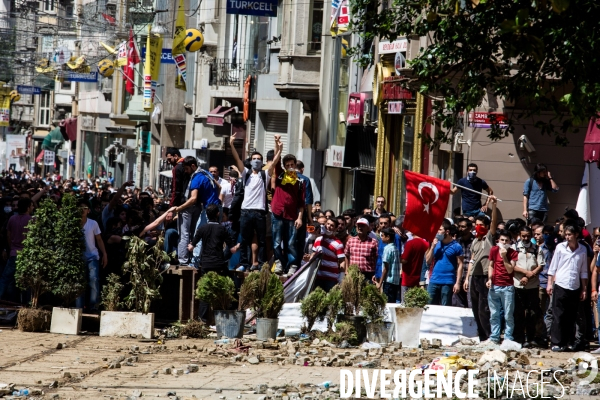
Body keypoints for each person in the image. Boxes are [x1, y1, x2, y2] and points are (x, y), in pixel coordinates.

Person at [230, 132, 277, 272]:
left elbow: (274, 161)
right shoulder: (246, 173)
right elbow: (237, 159)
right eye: (254, 158)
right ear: (250, 161)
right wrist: (231, 144)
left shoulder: (265, 174)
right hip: (246, 211)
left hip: (260, 212)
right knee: (244, 239)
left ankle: (261, 264)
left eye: (259, 159)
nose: (256, 160)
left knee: (262, 240)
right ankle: (244, 263)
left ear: (262, 162)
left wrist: (278, 146)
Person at [547, 223, 588, 352]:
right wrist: (549, 283)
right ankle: (556, 342)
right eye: (566, 234)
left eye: (570, 234)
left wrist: (584, 288)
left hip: (574, 285)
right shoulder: (560, 247)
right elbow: (553, 266)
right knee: (558, 314)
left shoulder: (582, 249)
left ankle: (568, 342)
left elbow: (583, 271)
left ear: (576, 235)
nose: (567, 237)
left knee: (571, 316)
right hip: (561, 284)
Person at [175, 157, 221, 266]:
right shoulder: (205, 172)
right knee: (212, 237)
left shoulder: (196, 178)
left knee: (199, 235)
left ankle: (194, 262)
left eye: (186, 169)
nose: (185, 172)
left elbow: (193, 199)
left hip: (208, 210)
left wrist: (178, 209)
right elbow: (219, 187)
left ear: (193, 166)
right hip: (217, 207)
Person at [464, 196, 498, 341]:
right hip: (474, 277)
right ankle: (482, 336)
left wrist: (493, 206)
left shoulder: (488, 238)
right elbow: (472, 259)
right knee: (475, 308)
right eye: (476, 224)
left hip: (485, 276)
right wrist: (467, 278)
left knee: (484, 308)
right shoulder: (475, 241)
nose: (478, 227)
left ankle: (490, 335)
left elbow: (493, 223)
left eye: (481, 225)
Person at [513, 226, 545, 348]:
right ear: (520, 235)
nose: (525, 238)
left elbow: (540, 265)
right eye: (523, 236)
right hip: (518, 284)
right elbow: (512, 266)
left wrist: (529, 276)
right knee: (519, 312)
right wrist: (525, 273)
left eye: (527, 236)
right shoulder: (514, 248)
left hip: (532, 285)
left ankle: (531, 338)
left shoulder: (536, 248)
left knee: (532, 313)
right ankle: (519, 338)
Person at [487, 229, 518, 344]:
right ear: (498, 240)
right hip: (494, 286)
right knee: (494, 314)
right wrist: (489, 279)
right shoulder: (493, 250)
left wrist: (504, 256)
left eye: (506, 240)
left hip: (507, 287)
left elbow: (510, 270)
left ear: (510, 241)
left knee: (508, 314)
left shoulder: (513, 253)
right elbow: (491, 265)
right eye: (502, 240)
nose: (504, 242)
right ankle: (494, 337)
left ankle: (508, 337)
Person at [77, 198, 107, 312]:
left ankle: (93, 306)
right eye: (80, 208)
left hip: (92, 256)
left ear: (88, 210)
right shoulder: (73, 223)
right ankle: (79, 307)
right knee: (80, 282)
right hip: (78, 257)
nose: (82, 210)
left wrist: (104, 253)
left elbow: (99, 239)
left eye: (84, 208)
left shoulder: (93, 223)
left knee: (94, 279)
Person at [0, 198, 33, 301]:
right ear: (28, 207)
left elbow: (8, 236)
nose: (33, 208)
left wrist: (12, 248)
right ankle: (27, 304)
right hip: (27, 256)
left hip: (14, 253)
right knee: (27, 282)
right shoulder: (32, 220)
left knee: (5, 280)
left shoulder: (12, 219)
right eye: (31, 206)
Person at [425, 220, 464, 306]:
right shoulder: (436, 244)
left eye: (440, 230)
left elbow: (460, 264)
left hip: (448, 281)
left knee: (445, 306)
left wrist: (457, 283)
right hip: (434, 280)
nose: (437, 232)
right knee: (429, 305)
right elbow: (427, 261)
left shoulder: (457, 246)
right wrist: (432, 247)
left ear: (447, 231)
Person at [311, 218, 345, 291]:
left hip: (331, 278)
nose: (329, 226)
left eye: (332, 225)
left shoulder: (338, 243)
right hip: (317, 276)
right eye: (328, 224)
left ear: (335, 229)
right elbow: (313, 254)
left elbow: (342, 260)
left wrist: (341, 275)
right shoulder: (318, 239)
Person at [295, 160, 313, 269]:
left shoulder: (286, 178)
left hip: (287, 214)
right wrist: (310, 217)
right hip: (301, 215)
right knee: (299, 241)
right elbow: (308, 201)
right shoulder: (305, 179)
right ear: (302, 169)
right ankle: (297, 264)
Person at [377, 227, 401, 303]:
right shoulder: (395, 248)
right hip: (396, 281)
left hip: (388, 281)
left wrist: (380, 283)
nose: (382, 238)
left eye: (383, 236)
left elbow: (386, 268)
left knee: (387, 303)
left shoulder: (387, 249)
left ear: (388, 237)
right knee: (393, 302)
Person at [454, 218, 473, 308]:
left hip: (470, 275)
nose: (460, 229)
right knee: (458, 304)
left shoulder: (475, 241)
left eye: (463, 227)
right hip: (458, 275)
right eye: (459, 226)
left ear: (469, 228)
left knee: (471, 304)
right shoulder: (457, 242)